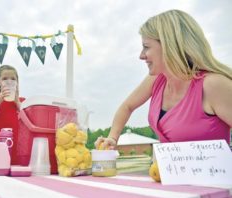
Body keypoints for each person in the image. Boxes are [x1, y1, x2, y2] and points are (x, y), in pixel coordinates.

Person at [95, 9, 232, 149]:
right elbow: (127, 106)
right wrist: (112, 137)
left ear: (170, 46)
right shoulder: (156, 79)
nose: (141, 56)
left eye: (146, 47)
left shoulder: (213, 85)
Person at [0, 65, 25, 165]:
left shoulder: (21, 102)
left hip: (15, 145)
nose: (9, 82)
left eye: (13, 79)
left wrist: (17, 102)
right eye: (5, 79)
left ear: (17, 83)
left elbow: (26, 121)